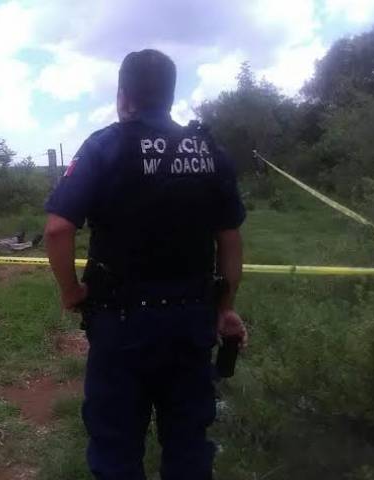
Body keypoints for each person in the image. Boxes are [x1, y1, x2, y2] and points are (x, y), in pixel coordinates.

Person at [44, 49, 248, 480]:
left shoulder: (105, 146)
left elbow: (59, 229)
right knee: (188, 446)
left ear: (124, 96)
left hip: (121, 325)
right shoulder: (209, 151)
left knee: (116, 449)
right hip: (192, 322)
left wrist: (71, 292)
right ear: (170, 96)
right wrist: (225, 307)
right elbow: (230, 239)